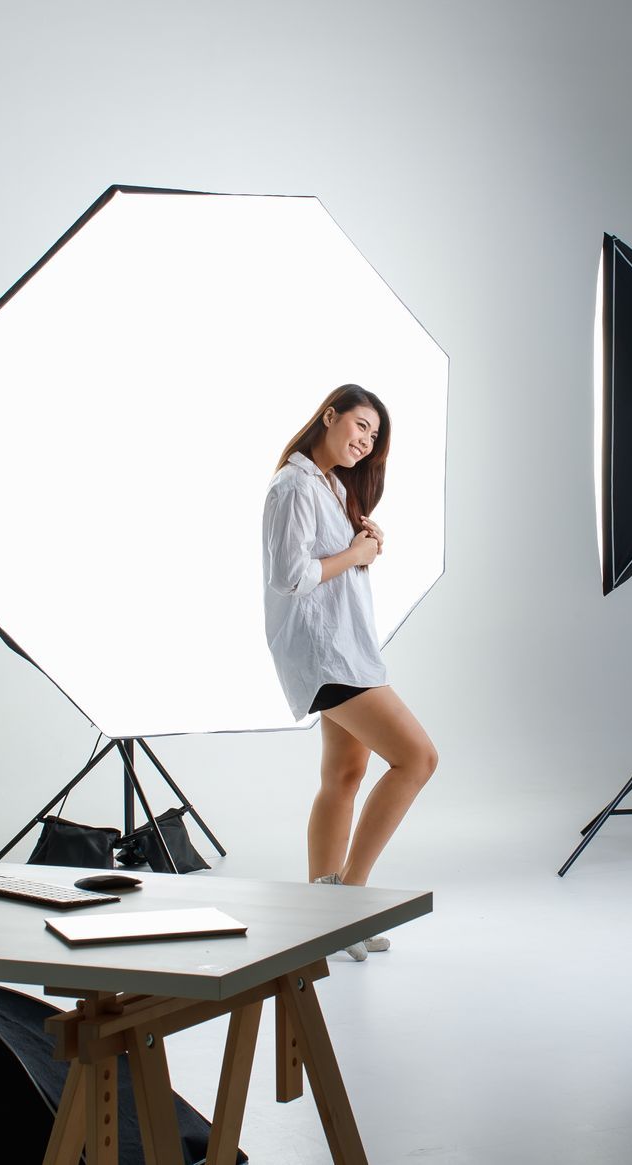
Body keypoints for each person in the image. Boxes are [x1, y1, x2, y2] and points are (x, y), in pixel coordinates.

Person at [263, 384, 439, 961]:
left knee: (344, 773)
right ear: (329, 415)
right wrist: (355, 555)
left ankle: (321, 918)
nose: (365, 441)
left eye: (374, 435)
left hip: (345, 649)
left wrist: (362, 540)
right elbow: (290, 576)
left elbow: (330, 566)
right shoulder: (294, 485)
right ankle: (349, 906)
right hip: (325, 654)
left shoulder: (333, 487)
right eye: (361, 425)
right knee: (417, 758)